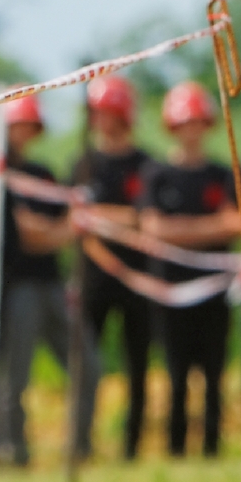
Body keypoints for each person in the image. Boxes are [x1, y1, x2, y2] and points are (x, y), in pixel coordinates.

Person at [138, 81, 240, 457]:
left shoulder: (221, 173)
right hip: (170, 291)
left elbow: (233, 223)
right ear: (172, 127)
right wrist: (209, 228)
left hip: (215, 289)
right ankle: (176, 449)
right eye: (185, 123)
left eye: (198, 122)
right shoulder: (157, 175)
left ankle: (213, 447)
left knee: (214, 374)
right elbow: (154, 230)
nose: (191, 131)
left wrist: (181, 230)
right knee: (176, 375)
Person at [0, 94, 91, 466]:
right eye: (17, 124)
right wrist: (62, 231)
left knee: (87, 364)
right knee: (14, 376)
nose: (23, 133)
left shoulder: (44, 174)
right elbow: (32, 234)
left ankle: (80, 448)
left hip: (53, 284)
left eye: (28, 125)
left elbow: (65, 222)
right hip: (17, 288)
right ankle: (12, 450)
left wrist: (58, 230)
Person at [71, 75, 151, 460]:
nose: (103, 121)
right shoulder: (82, 164)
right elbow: (73, 218)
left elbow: (146, 219)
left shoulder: (145, 164)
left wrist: (98, 217)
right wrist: (120, 220)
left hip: (139, 279)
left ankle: (131, 447)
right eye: (97, 114)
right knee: (87, 364)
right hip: (93, 280)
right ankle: (81, 443)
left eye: (109, 113)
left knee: (138, 366)